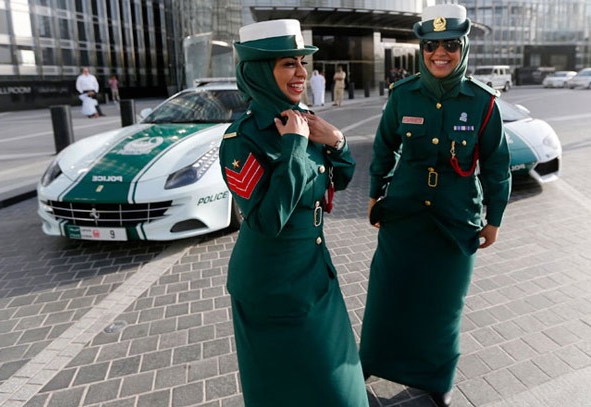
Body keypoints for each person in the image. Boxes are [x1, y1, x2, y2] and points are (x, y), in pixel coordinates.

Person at [359, 4, 511, 407]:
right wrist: (376, 194)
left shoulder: (483, 102)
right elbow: (383, 146)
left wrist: (493, 220)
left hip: (455, 221)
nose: (439, 53)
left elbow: (497, 167)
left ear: (462, 47)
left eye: (449, 45)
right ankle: (370, 362)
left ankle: (435, 379)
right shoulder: (403, 95)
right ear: (421, 48)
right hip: (404, 216)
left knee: (442, 306)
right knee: (388, 296)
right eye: (430, 45)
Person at [219, 19, 369, 407]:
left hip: (316, 275)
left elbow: (344, 179)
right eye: (289, 63)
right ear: (258, 71)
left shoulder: (301, 120)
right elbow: (268, 221)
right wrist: (294, 149)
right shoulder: (241, 139)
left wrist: (335, 140)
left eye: (302, 62)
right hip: (270, 287)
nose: (302, 72)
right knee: (283, 392)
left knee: (343, 388)